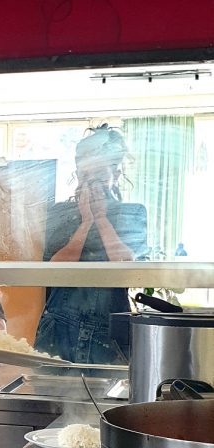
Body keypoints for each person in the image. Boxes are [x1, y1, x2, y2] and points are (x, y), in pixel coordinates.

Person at [34, 124, 147, 365]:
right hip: (59, 329)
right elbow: (53, 271)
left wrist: (102, 218)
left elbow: (129, 269)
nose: (91, 183)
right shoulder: (61, 213)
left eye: (99, 176)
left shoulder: (132, 213)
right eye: (85, 176)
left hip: (110, 331)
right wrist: (85, 223)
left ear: (116, 174)